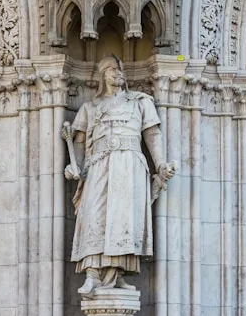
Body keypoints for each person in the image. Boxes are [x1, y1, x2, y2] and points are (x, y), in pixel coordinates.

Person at [64, 55, 174, 295]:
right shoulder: (90, 107)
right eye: (112, 69)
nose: (118, 72)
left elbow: (152, 134)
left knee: (124, 219)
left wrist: (161, 164)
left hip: (129, 165)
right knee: (94, 215)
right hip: (99, 165)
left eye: (120, 68)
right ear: (103, 75)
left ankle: (118, 273)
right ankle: (92, 274)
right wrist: (75, 167)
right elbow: (80, 142)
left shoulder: (140, 102)